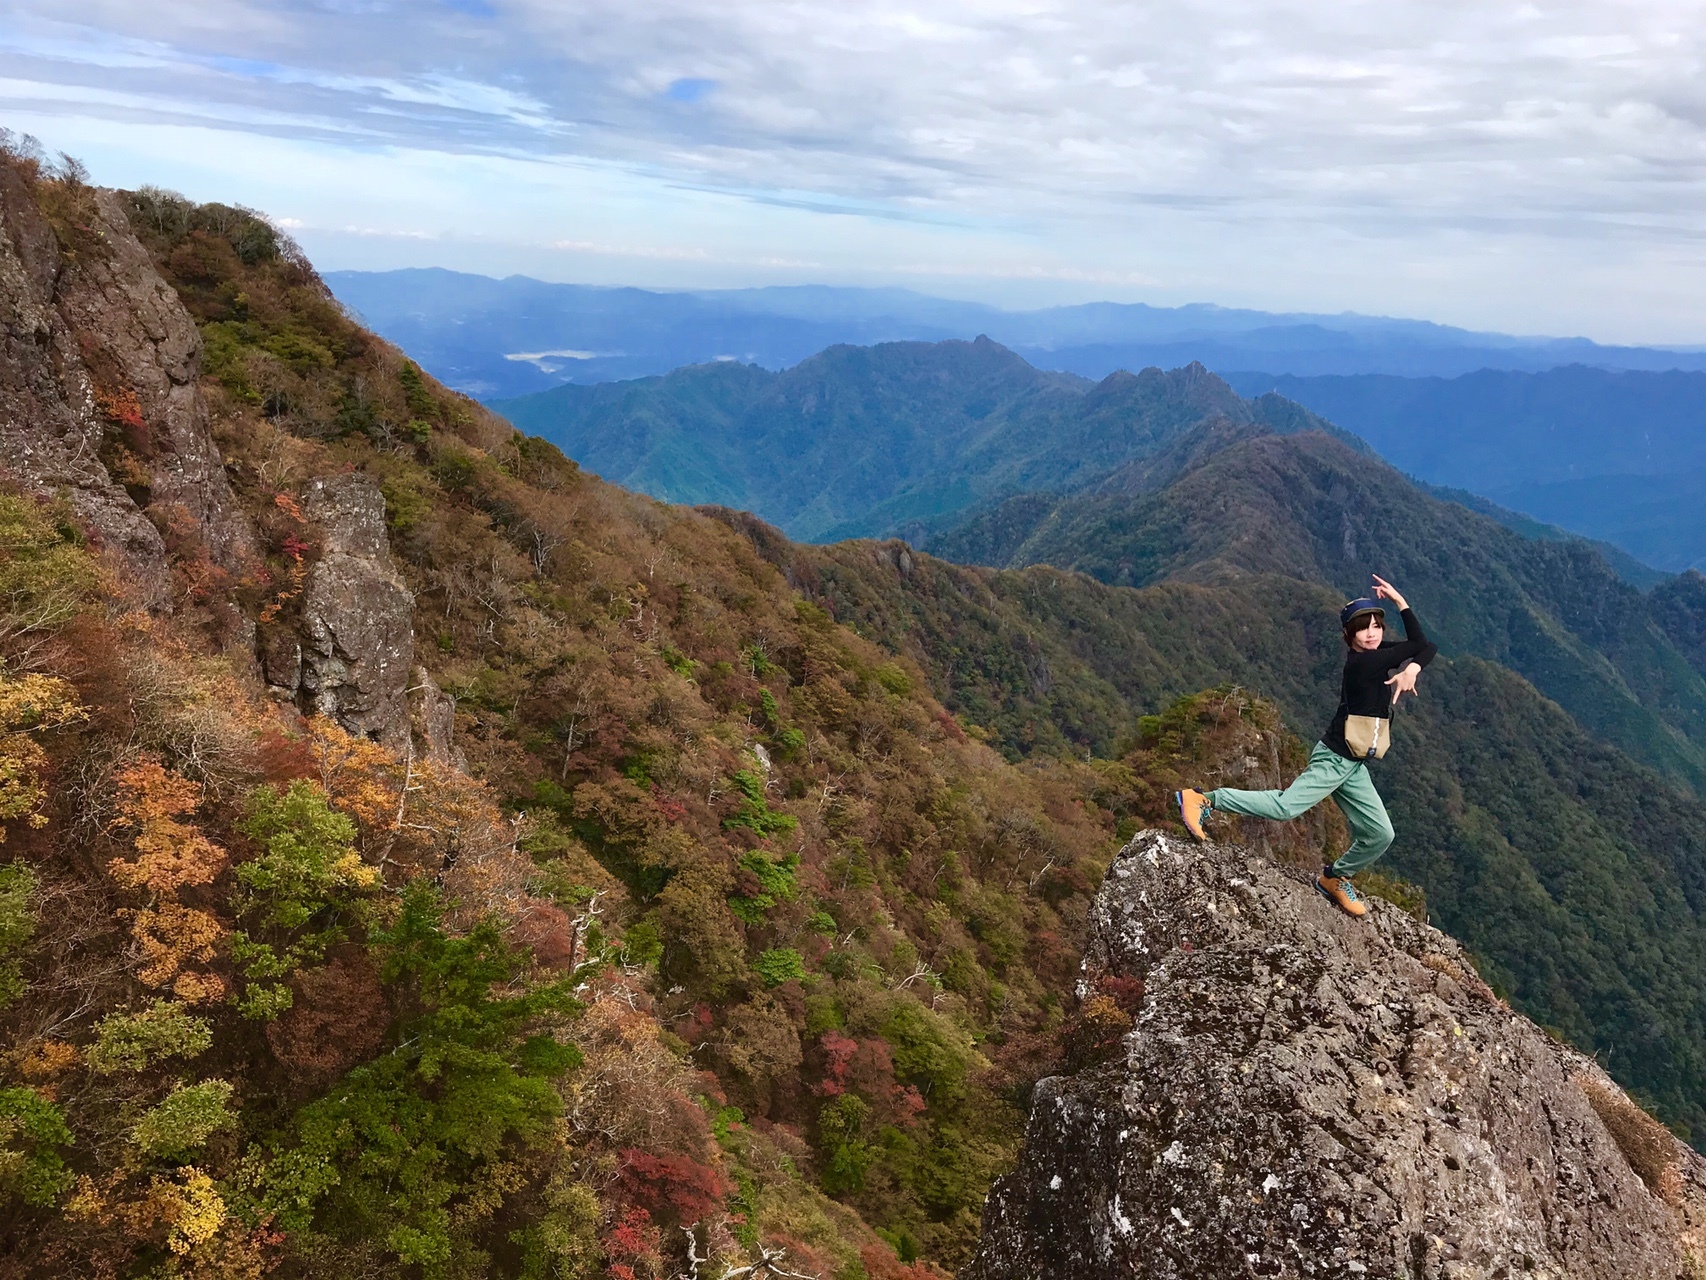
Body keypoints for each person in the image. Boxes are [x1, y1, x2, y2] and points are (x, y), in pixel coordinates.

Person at [1174, 575, 1437, 917]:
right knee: (1285, 808)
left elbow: (1423, 646)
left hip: (1354, 764)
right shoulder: (1364, 664)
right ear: (1349, 634)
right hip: (1334, 760)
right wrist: (1410, 660)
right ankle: (1204, 798)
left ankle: (1334, 877)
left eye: (1377, 625)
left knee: (1380, 833)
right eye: (1363, 628)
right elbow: (1419, 644)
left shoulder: (1376, 653)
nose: (1372, 633)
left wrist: (1407, 643)